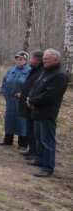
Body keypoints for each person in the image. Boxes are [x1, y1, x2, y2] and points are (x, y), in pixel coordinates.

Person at [26, 49, 69, 177]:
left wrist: (33, 101)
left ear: (56, 59)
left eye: (47, 58)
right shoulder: (45, 71)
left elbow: (50, 95)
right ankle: (40, 159)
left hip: (47, 112)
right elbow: (35, 87)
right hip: (37, 110)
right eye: (43, 58)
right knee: (38, 137)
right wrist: (30, 99)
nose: (43, 60)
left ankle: (48, 167)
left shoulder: (60, 75)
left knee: (47, 140)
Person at [0, 51, 31, 148]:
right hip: (10, 100)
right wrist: (4, 92)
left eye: (20, 60)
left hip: (22, 101)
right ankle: (8, 140)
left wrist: (24, 94)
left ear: (25, 60)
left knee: (21, 121)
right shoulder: (11, 70)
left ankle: (22, 143)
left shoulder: (29, 71)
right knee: (9, 120)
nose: (18, 61)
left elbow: (32, 85)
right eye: (17, 59)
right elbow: (4, 82)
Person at [18, 50, 44, 159]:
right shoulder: (34, 70)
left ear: (38, 60)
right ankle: (32, 149)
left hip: (34, 105)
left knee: (34, 130)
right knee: (29, 128)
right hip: (27, 103)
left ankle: (35, 152)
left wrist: (31, 99)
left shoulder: (42, 71)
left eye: (32, 58)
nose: (31, 60)